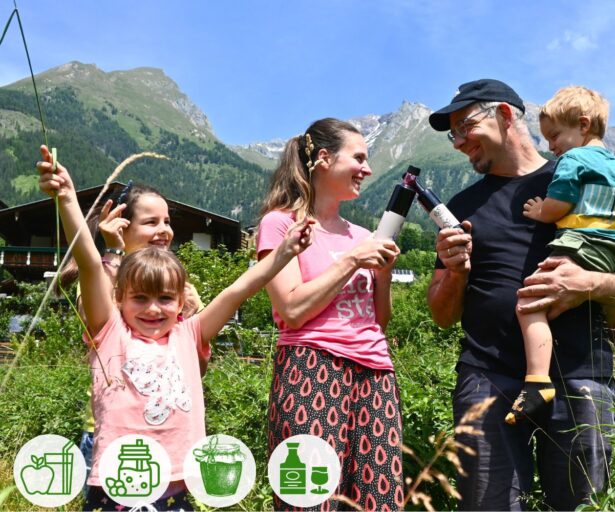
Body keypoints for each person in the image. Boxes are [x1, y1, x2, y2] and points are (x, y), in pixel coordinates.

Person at [37, 145, 312, 511]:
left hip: (176, 488)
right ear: (118, 299)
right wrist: (68, 199)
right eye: (140, 299)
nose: (153, 308)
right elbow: (89, 263)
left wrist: (284, 253)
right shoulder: (110, 332)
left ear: (181, 303)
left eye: (166, 299)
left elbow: (237, 291)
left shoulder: (188, 334)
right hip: (117, 486)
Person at [426, 79, 615, 510]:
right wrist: (455, 273)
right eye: (451, 134)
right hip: (487, 378)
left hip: (581, 375)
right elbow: (440, 315)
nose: (458, 142)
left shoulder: (582, 173)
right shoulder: (459, 208)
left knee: (582, 506)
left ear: (506, 115)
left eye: (464, 126)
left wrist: (586, 283)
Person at [257, 118, 404, 511]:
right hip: (310, 365)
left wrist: (382, 274)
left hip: (375, 372)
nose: (367, 169)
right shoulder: (281, 224)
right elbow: (291, 308)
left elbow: (379, 320)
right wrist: (353, 261)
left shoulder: (362, 235)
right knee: (309, 500)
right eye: (358, 157)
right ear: (324, 158)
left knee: (381, 501)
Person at [507, 85, 615, 425]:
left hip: (580, 244)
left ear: (583, 125)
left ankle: (537, 383)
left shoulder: (573, 160)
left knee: (530, 304)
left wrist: (539, 211)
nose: (550, 146)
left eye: (555, 135)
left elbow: (559, 203)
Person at [58, 181, 204, 496]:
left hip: (169, 433)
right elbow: (96, 318)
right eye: (151, 222)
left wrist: (190, 315)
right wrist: (112, 253)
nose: (164, 229)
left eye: (167, 221)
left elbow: (198, 365)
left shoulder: (179, 284)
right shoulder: (104, 275)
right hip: (112, 431)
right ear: (123, 226)